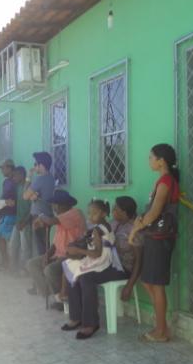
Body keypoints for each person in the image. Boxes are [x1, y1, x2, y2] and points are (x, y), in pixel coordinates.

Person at [63, 196, 143, 339]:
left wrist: (130, 285)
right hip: (106, 263)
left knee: (86, 277)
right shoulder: (112, 224)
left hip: (122, 269)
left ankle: (91, 324)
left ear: (125, 212)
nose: (112, 211)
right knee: (75, 271)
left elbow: (139, 260)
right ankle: (76, 317)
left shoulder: (133, 229)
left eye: (116, 209)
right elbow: (94, 235)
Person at [129, 144, 180, 343]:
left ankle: (160, 331)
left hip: (160, 240)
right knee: (148, 281)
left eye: (151, 158)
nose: (149, 161)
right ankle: (162, 328)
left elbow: (154, 213)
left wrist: (135, 229)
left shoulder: (166, 182)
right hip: (154, 238)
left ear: (161, 161)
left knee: (156, 285)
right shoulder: (162, 181)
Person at [26, 190, 86, 305]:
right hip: (58, 254)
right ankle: (51, 293)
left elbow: (50, 221)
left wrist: (41, 216)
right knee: (32, 264)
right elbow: (56, 243)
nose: (53, 207)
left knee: (50, 270)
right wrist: (47, 254)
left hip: (72, 256)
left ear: (62, 205)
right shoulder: (61, 217)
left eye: (55, 205)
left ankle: (62, 300)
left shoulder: (75, 213)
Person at [23, 152, 55, 256]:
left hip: (39, 218)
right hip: (48, 215)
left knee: (40, 249)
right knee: (46, 247)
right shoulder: (51, 178)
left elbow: (25, 196)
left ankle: (40, 271)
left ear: (41, 165)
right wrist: (33, 195)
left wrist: (28, 177)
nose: (34, 167)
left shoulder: (40, 179)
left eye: (35, 164)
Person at [9, 166, 32, 275]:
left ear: (22, 175)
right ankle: (13, 268)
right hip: (18, 222)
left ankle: (24, 270)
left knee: (25, 248)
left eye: (15, 175)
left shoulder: (29, 188)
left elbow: (33, 209)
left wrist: (24, 222)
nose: (13, 177)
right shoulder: (18, 187)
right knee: (13, 245)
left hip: (25, 222)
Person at [0, 159, 17, 271]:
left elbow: (5, 197)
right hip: (11, 213)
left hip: (8, 214)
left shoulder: (9, 182)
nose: (1, 171)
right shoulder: (14, 180)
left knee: (3, 239)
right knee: (7, 239)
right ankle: (8, 264)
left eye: (3, 168)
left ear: (9, 168)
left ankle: (6, 264)